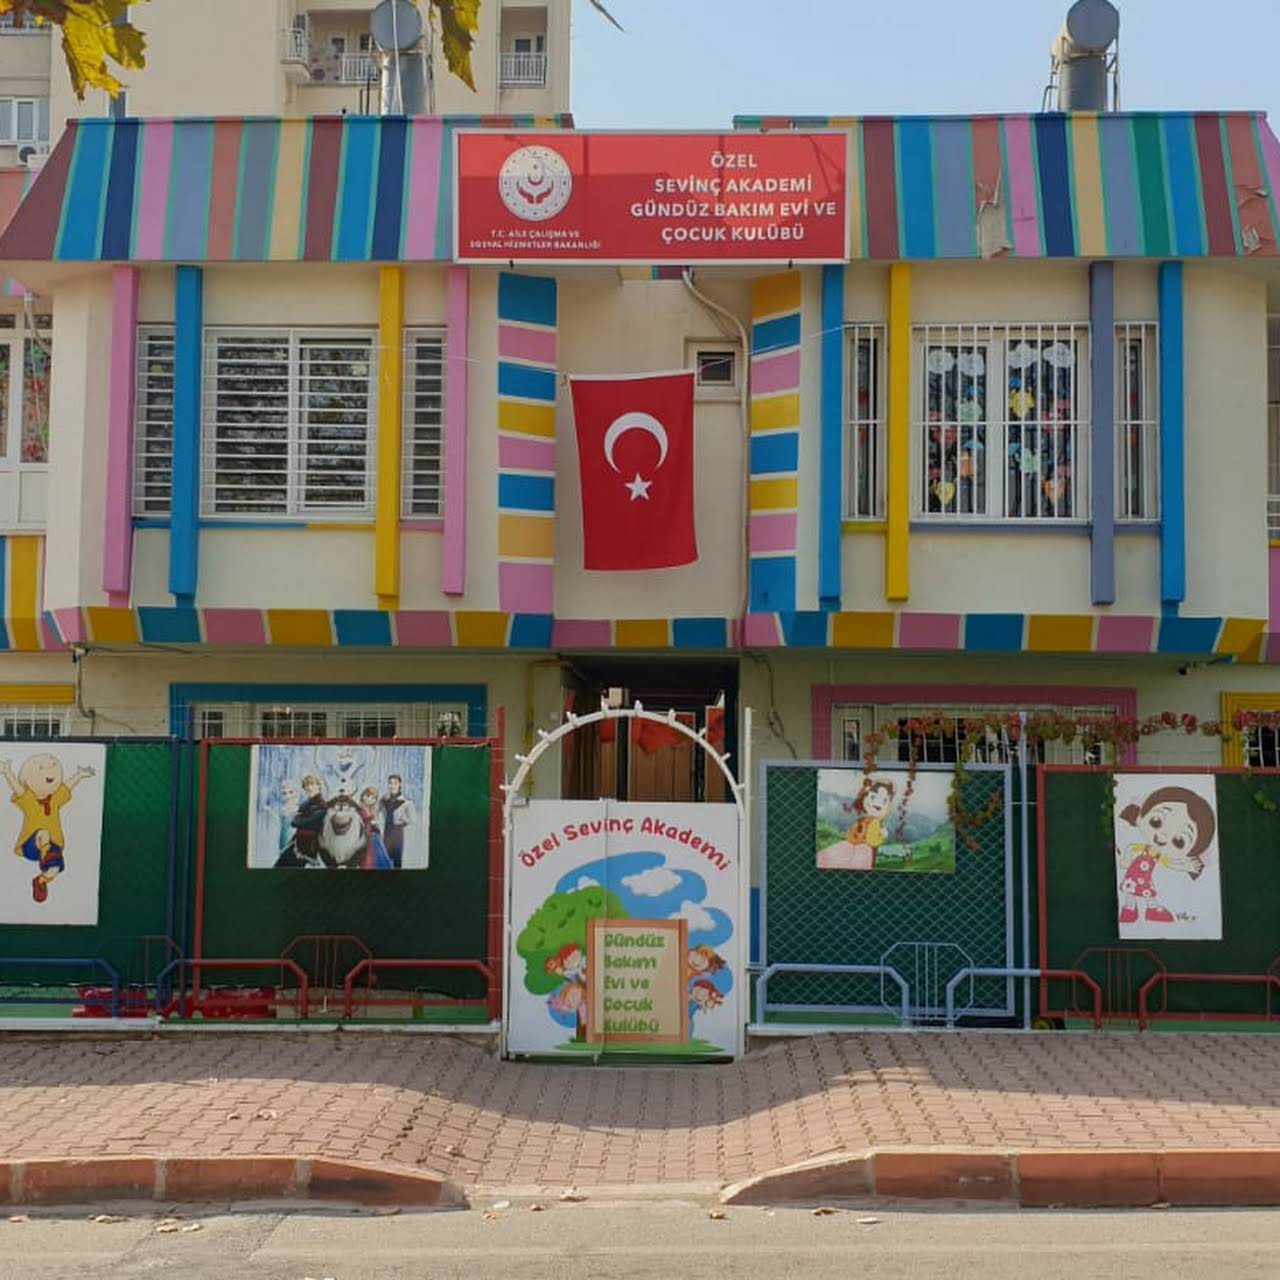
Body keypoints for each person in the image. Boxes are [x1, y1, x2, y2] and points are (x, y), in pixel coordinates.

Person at [0, 753, 96, 903]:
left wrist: (80, 774)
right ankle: (45, 856)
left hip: (52, 846)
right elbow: (18, 789)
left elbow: (66, 787)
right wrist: (7, 772)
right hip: (31, 846)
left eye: (52, 768)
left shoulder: (55, 799)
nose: (49, 771)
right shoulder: (29, 800)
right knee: (43, 832)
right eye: (42, 769)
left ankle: (40, 881)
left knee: (54, 870)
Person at [379, 773, 417, 869]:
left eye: (395, 783)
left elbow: (413, 820)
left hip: (398, 834)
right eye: (390, 783)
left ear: (400, 784)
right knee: (384, 860)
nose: (392, 786)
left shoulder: (407, 801)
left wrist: (402, 818)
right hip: (386, 832)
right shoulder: (384, 800)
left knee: (397, 861)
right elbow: (375, 811)